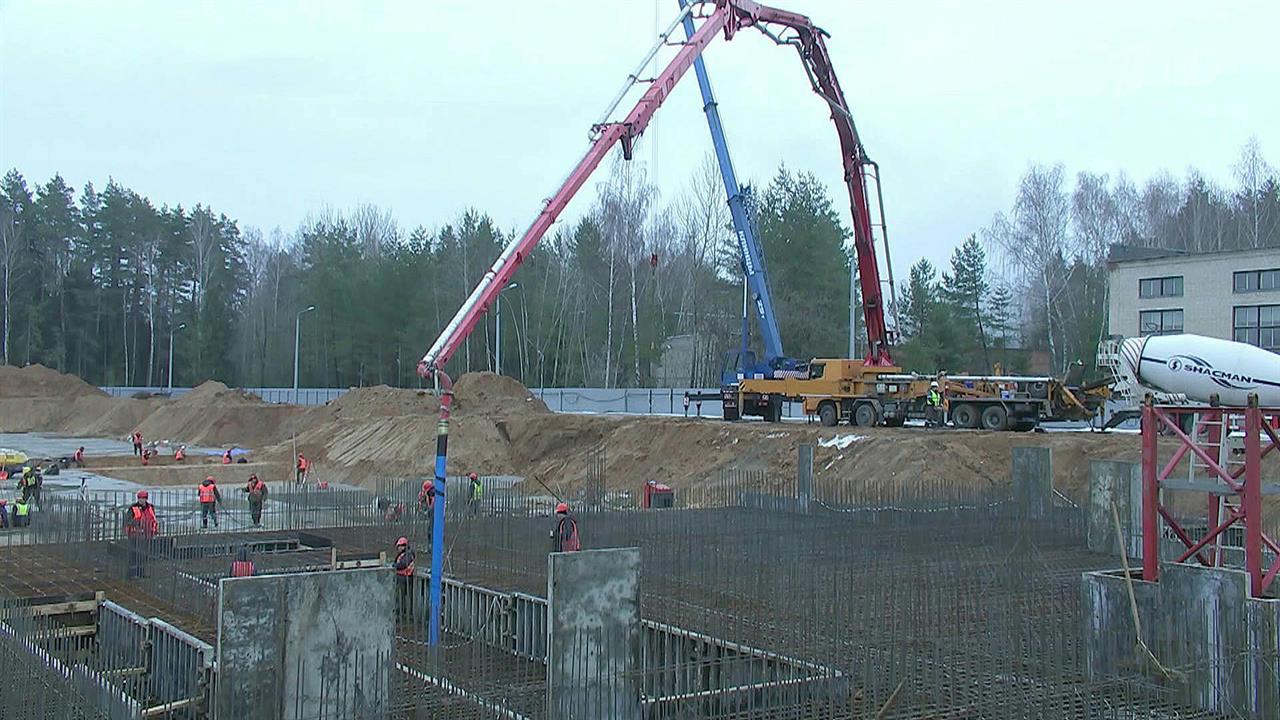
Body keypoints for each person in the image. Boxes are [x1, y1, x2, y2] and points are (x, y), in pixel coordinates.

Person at [124, 490, 159, 578]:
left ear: (146, 499)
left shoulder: (150, 507)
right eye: (140, 498)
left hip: (147, 536)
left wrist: (154, 531)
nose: (141, 500)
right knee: (134, 555)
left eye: (143, 498)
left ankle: (141, 573)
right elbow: (127, 522)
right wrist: (135, 524)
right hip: (135, 536)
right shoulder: (133, 508)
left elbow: (154, 520)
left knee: (143, 556)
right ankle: (131, 574)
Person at [393, 537, 416, 621]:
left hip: (405, 578)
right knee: (400, 598)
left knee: (400, 598)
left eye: (399, 546)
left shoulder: (408, 555)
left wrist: (395, 566)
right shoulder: (403, 554)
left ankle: (400, 615)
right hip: (402, 578)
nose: (398, 548)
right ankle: (401, 615)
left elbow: (402, 564)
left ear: (404, 546)